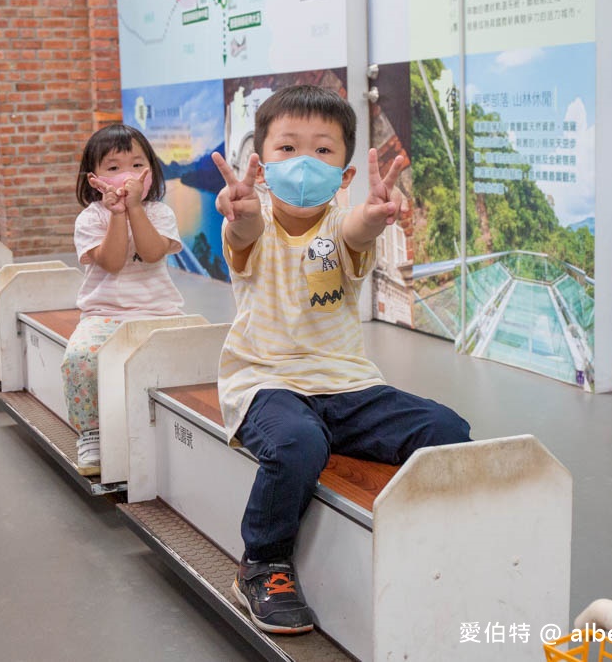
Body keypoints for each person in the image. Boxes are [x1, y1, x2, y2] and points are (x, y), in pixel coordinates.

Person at [211, 85, 472, 634]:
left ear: (346, 174)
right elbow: (245, 231)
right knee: (297, 442)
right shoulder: (252, 222)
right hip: (266, 384)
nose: (304, 162)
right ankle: (263, 563)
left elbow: (356, 231)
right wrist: (239, 213)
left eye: (323, 151)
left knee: (448, 428)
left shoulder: (342, 225)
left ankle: (444, 547)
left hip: (348, 386)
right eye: (286, 149)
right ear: (260, 167)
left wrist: (375, 215)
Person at [61, 124, 185, 475]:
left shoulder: (160, 213)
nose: (126, 175)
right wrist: (117, 213)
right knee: (80, 359)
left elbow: (151, 253)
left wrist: (135, 210)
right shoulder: (90, 219)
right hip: (104, 315)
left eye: (136, 165)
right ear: (94, 178)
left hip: (160, 312)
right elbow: (113, 262)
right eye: (113, 168)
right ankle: (91, 433)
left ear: (151, 171)